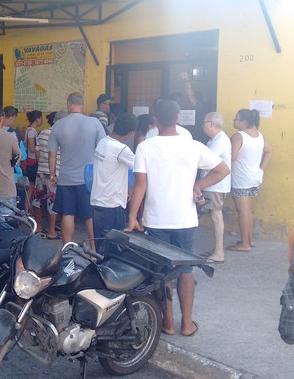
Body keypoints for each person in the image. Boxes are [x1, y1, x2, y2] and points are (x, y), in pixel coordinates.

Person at [126, 99, 230, 337]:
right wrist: (198, 185)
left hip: (156, 221)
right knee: (185, 272)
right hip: (185, 220)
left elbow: (140, 184)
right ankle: (187, 324)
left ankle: (168, 324)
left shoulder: (146, 147)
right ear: (178, 119)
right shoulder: (192, 145)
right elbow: (223, 169)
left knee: (162, 274)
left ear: (155, 120)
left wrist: (132, 217)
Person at [48, 92, 106, 245]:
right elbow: (104, 149)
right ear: (82, 104)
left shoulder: (58, 125)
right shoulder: (94, 123)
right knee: (89, 216)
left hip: (66, 178)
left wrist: (52, 174)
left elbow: (52, 154)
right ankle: (94, 250)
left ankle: (67, 249)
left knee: (68, 213)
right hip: (89, 178)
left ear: (68, 104)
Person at [90, 113, 137, 251]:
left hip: (97, 202)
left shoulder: (103, 142)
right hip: (112, 205)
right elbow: (142, 169)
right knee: (114, 250)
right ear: (131, 133)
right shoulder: (121, 149)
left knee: (101, 247)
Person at [228, 108, 273, 252]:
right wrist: (261, 168)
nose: (234, 120)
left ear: (244, 121)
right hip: (254, 177)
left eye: (236, 118)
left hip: (241, 179)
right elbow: (269, 150)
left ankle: (244, 244)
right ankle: (249, 240)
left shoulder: (238, 136)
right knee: (248, 210)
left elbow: (232, 158)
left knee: (242, 211)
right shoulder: (258, 135)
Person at [200, 112, 232, 263]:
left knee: (216, 216)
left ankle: (219, 253)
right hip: (213, 184)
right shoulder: (215, 139)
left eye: (204, 123)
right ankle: (217, 250)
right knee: (215, 216)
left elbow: (207, 160)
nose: (202, 126)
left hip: (216, 185)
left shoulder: (220, 140)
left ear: (211, 123)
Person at [31, 111, 63, 239]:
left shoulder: (43, 132)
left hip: (41, 170)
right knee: (52, 202)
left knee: (38, 199)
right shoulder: (62, 134)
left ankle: (38, 226)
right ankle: (51, 231)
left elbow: (37, 151)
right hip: (54, 172)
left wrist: (41, 164)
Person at [4, 106, 28, 210]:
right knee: (17, 202)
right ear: (12, 117)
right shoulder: (14, 134)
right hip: (14, 174)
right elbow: (23, 156)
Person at [24, 110, 43, 216]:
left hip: (29, 162)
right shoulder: (32, 131)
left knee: (30, 186)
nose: (42, 120)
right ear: (37, 119)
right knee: (31, 187)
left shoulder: (29, 130)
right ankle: (27, 209)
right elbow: (32, 148)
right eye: (41, 118)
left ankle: (27, 209)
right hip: (32, 162)